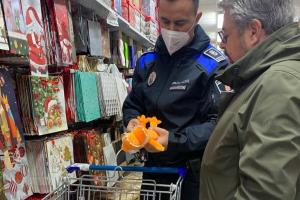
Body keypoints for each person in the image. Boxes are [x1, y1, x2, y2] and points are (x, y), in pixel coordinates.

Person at [122, 0, 228, 199]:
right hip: (153, 174)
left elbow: (219, 125)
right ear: (157, 13)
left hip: (191, 177)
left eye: (180, 23)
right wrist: (132, 121)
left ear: (197, 19)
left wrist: (173, 140)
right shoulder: (147, 61)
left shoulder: (213, 65)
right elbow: (133, 104)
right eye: (165, 21)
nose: (171, 30)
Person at [200, 0, 300, 199]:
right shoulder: (264, 79)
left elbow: (265, 194)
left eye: (225, 35)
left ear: (253, 31)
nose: (222, 43)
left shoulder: (278, 85)